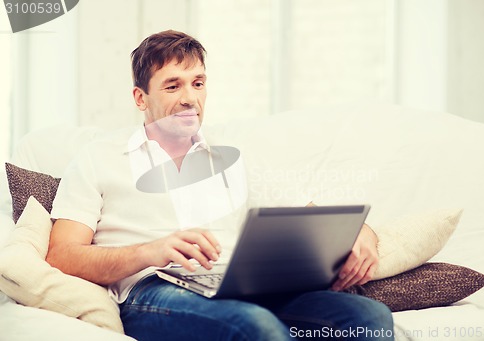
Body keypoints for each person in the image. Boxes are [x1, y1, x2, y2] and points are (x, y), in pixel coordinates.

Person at [46, 30, 394, 340]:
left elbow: (312, 217)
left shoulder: (235, 157)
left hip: (238, 284)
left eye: (198, 83)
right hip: (154, 289)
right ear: (140, 98)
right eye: (173, 85)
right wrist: (152, 251)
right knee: (252, 325)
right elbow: (62, 255)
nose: (189, 98)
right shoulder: (98, 157)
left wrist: (363, 234)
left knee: (367, 316)